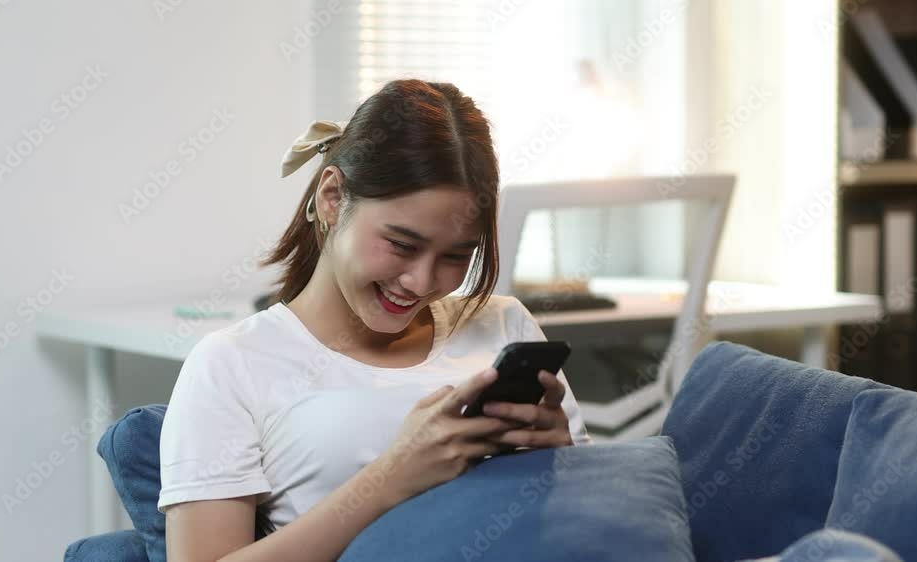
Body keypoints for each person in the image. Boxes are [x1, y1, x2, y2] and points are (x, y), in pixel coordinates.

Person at [158, 79, 592, 562]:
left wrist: (561, 461)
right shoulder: (232, 364)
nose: (421, 281)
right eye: (402, 245)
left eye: (456, 256)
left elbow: (580, 526)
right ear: (331, 198)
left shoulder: (505, 324)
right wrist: (391, 479)